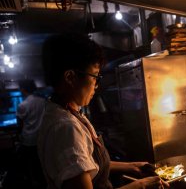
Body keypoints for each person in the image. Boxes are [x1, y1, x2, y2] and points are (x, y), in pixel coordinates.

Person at [38, 33, 169, 189]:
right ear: (70, 77)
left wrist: (133, 166)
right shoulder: (65, 128)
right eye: (95, 77)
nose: (97, 85)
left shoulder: (64, 111)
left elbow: (88, 163)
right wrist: (140, 185)